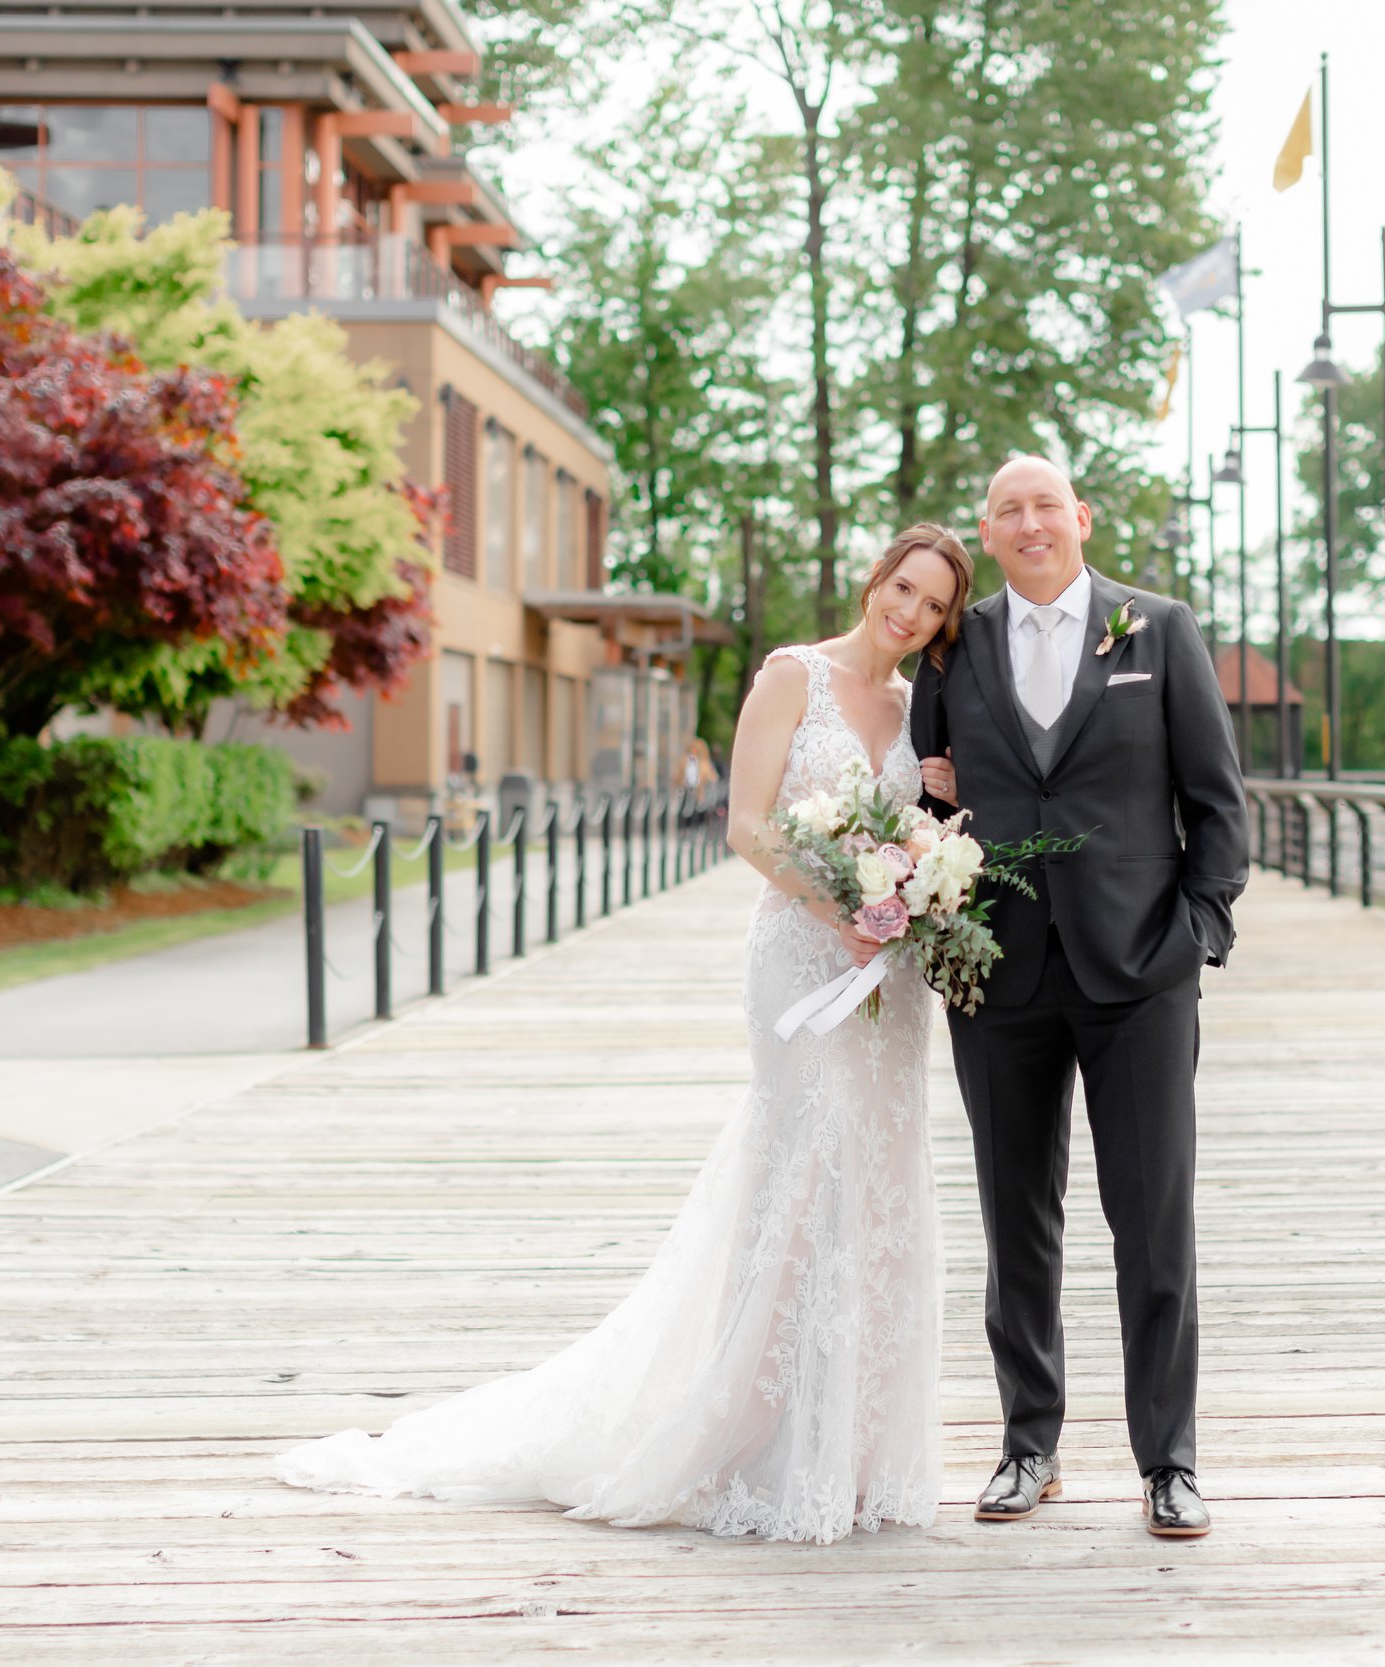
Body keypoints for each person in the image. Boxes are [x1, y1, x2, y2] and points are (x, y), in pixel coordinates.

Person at [276, 525, 975, 1546]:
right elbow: (745, 823)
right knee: (802, 1171)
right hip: (802, 957)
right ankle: (761, 1439)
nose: (908, 612)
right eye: (902, 586)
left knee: (874, 1184)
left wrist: (926, 847)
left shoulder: (918, 711)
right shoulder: (794, 677)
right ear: (875, 578)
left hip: (886, 981)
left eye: (933, 606)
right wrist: (839, 909)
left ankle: (853, 1449)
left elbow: (916, 823)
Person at [914, 455, 1248, 1540]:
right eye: (1007, 508)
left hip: (1140, 971)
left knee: (1152, 1221)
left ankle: (1169, 1459)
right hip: (996, 968)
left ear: (1079, 518)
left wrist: (1196, 931)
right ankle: (1028, 1444)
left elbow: (1218, 801)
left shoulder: (1159, 630)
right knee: (1016, 1218)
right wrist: (933, 917)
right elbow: (922, 789)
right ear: (989, 528)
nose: (1028, 522)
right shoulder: (952, 645)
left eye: (1044, 504)